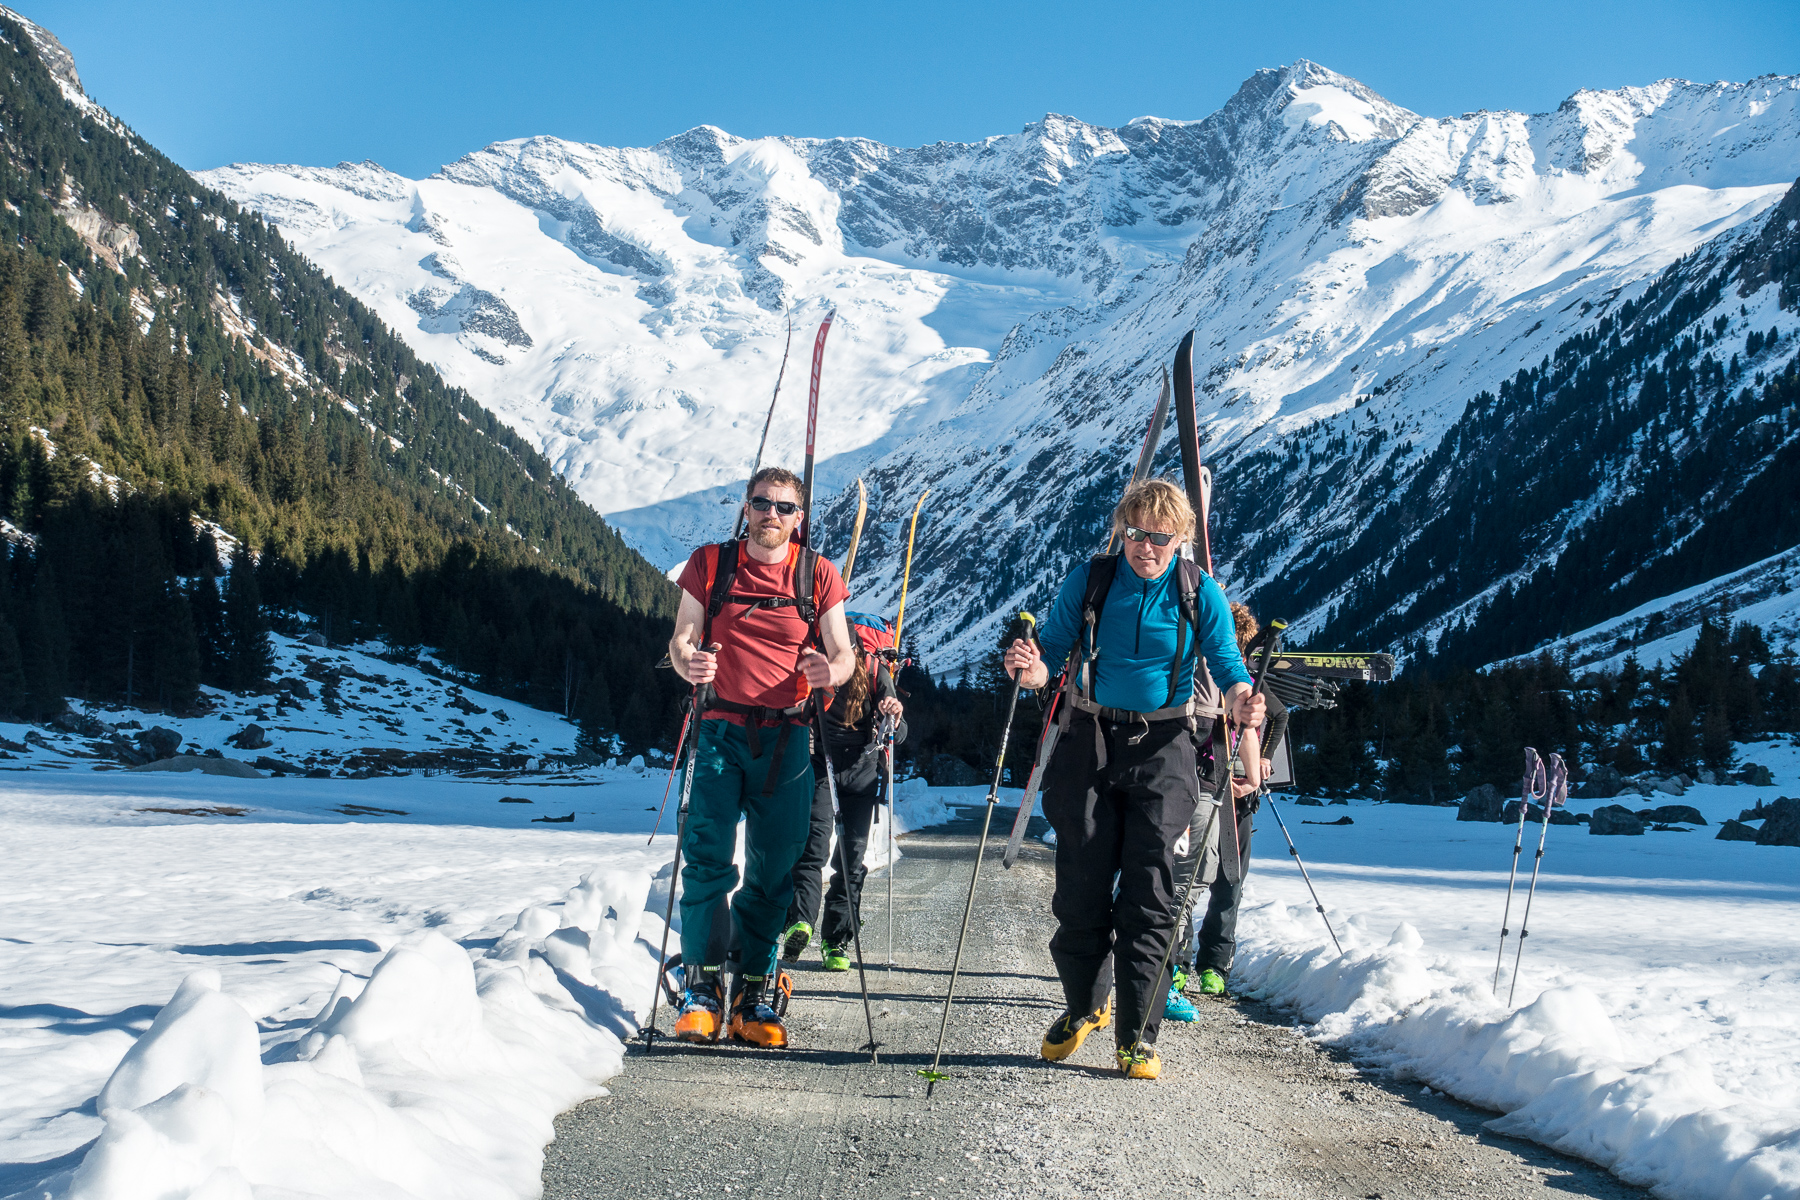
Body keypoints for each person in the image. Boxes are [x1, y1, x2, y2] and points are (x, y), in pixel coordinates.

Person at [1003, 479, 1264, 1080]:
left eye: (1159, 537)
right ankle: (1084, 1006)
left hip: (1167, 743)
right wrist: (1031, 669)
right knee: (1080, 888)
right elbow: (1055, 652)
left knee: (1151, 893)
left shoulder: (1200, 592)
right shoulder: (1092, 579)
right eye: (1136, 533)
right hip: (1089, 739)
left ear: (1181, 540)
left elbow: (1226, 661)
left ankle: (1137, 1038)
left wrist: (1242, 695)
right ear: (1122, 529)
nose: (1145, 547)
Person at [666, 467, 856, 1047]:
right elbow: (681, 638)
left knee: (776, 869)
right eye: (761, 503)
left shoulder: (817, 574)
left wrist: (831, 671)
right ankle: (702, 986)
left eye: (784, 507)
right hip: (720, 730)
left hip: (789, 737)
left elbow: (843, 653)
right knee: (706, 857)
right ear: (745, 508)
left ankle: (755, 987)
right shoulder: (710, 564)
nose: (771, 514)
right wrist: (687, 662)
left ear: (799, 518)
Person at [1172, 602, 1289, 1003]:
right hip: (1201, 786)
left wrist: (1262, 763)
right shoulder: (1193, 672)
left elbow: (1276, 716)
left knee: (1228, 878)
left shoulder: (1242, 680)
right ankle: (1177, 963)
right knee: (1188, 878)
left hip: (1235, 791)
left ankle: (1212, 964)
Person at [781, 643, 907, 970]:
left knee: (851, 859)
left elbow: (900, 731)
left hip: (861, 775)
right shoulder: (813, 670)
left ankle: (835, 939)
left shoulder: (875, 672)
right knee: (813, 847)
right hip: (821, 768)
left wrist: (893, 716)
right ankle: (801, 922)